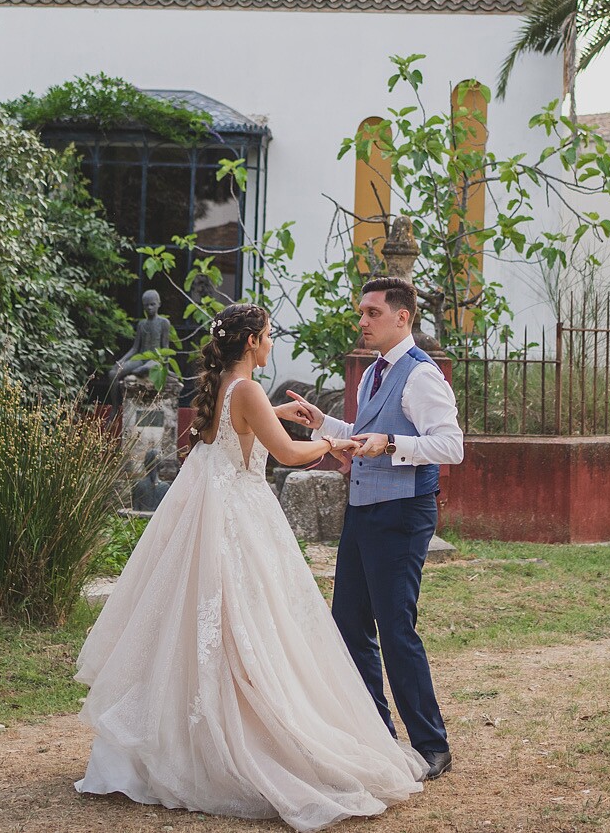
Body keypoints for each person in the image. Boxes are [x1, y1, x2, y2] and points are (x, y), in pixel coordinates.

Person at [74, 303, 427, 830]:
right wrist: (334, 443)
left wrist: (276, 412)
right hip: (242, 516)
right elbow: (287, 455)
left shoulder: (224, 386)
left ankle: (191, 729)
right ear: (251, 342)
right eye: (267, 336)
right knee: (253, 622)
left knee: (214, 623)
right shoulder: (247, 389)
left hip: (220, 511)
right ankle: (246, 729)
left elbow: (240, 424)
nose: (271, 343)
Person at [277, 276, 464, 780]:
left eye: (372, 313)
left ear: (402, 317)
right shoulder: (372, 374)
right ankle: (378, 735)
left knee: (395, 627)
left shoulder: (421, 375)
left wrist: (393, 445)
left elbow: (451, 446)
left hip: (402, 513)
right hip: (362, 510)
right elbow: (364, 436)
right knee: (348, 623)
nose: (362, 321)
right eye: (361, 312)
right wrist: (323, 423)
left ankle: (432, 746)